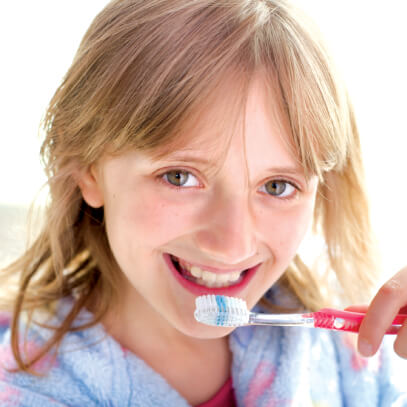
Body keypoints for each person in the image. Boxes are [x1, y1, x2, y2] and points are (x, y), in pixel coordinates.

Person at [0, 0, 406, 405]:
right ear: (89, 170)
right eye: (180, 177)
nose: (232, 244)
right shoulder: (27, 387)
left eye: (278, 186)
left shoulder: (344, 351)